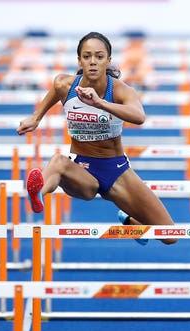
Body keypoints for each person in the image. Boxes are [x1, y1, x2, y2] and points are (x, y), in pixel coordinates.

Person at [16, 32, 177, 246]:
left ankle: (130, 220)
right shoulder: (66, 85)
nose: (93, 62)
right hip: (81, 170)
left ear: (108, 60)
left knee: (171, 237)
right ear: (79, 60)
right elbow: (55, 90)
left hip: (115, 170)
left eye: (99, 57)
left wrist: (99, 103)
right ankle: (37, 193)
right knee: (58, 162)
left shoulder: (120, 90)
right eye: (87, 56)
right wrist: (36, 118)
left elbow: (139, 117)